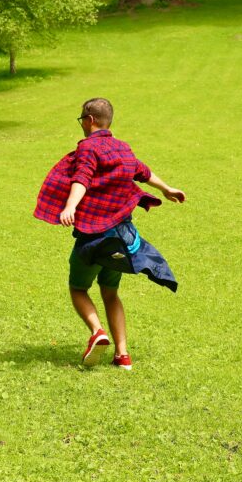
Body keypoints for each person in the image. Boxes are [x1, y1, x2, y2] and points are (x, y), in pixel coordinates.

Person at [34, 97, 185, 369]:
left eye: (82, 119)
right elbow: (144, 172)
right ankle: (123, 356)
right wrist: (167, 188)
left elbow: (82, 177)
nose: (82, 124)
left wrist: (70, 206)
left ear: (90, 120)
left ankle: (97, 331)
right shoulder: (122, 148)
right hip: (121, 237)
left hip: (95, 238)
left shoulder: (88, 148)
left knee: (78, 288)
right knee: (110, 292)